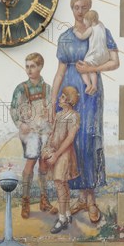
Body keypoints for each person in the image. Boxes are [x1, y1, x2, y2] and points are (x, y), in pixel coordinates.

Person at [51, 0, 120, 224]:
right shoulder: (65, 38)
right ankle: (75, 199)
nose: (79, 12)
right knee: (69, 145)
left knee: (88, 141)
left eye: (83, 7)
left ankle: (90, 200)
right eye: (75, 7)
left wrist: (91, 70)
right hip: (68, 95)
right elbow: (60, 72)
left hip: (90, 95)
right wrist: (52, 103)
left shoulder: (101, 30)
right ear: (71, 9)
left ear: (90, 7)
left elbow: (114, 62)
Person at [10, 53, 54, 219]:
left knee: (43, 166)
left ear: (40, 67)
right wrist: (21, 124)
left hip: (45, 131)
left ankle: (44, 200)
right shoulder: (21, 88)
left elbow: (52, 108)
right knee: (30, 165)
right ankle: (26, 201)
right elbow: (14, 108)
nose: (29, 69)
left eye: (33, 66)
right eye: (27, 66)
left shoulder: (48, 88)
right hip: (30, 133)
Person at [42, 86, 80, 234]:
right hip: (56, 151)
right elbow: (53, 134)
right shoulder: (58, 115)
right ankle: (68, 213)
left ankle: (62, 218)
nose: (59, 99)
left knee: (60, 183)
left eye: (63, 97)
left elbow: (70, 138)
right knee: (62, 183)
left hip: (64, 153)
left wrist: (57, 154)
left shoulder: (74, 116)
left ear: (69, 100)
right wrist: (48, 149)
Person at [73, 10, 110, 95]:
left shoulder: (91, 29)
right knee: (91, 68)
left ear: (91, 21)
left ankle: (89, 84)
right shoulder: (101, 26)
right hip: (104, 55)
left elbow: (82, 37)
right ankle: (94, 85)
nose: (85, 24)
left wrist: (76, 32)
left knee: (82, 68)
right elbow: (97, 21)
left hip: (94, 55)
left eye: (86, 22)